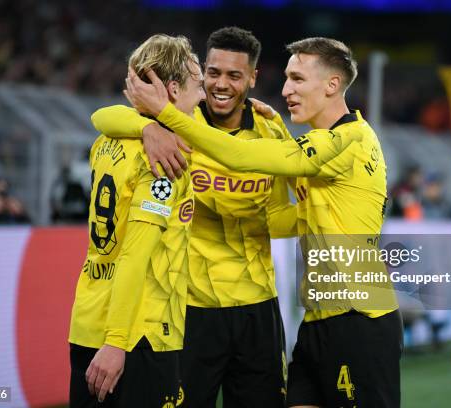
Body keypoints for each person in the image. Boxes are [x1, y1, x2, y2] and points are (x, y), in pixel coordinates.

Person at [124, 37, 402, 408]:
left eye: (298, 80)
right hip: (318, 320)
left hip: (360, 319)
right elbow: (292, 208)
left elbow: (241, 156)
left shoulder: (347, 141)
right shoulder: (319, 142)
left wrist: (166, 114)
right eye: (287, 78)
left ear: (332, 85)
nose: (286, 90)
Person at [91, 27, 296, 408]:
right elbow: (103, 116)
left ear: (253, 78)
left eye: (234, 75)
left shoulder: (271, 129)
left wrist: (314, 220)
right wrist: (147, 127)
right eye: (213, 72)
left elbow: (280, 214)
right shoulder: (177, 120)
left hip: (257, 308)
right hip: (190, 311)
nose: (221, 84)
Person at [68, 34, 204, 408]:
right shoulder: (164, 161)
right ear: (173, 89)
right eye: (198, 85)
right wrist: (116, 342)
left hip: (88, 318)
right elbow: (135, 254)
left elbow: (103, 116)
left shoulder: (107, 140)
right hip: (138, 335)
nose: (204, 95)